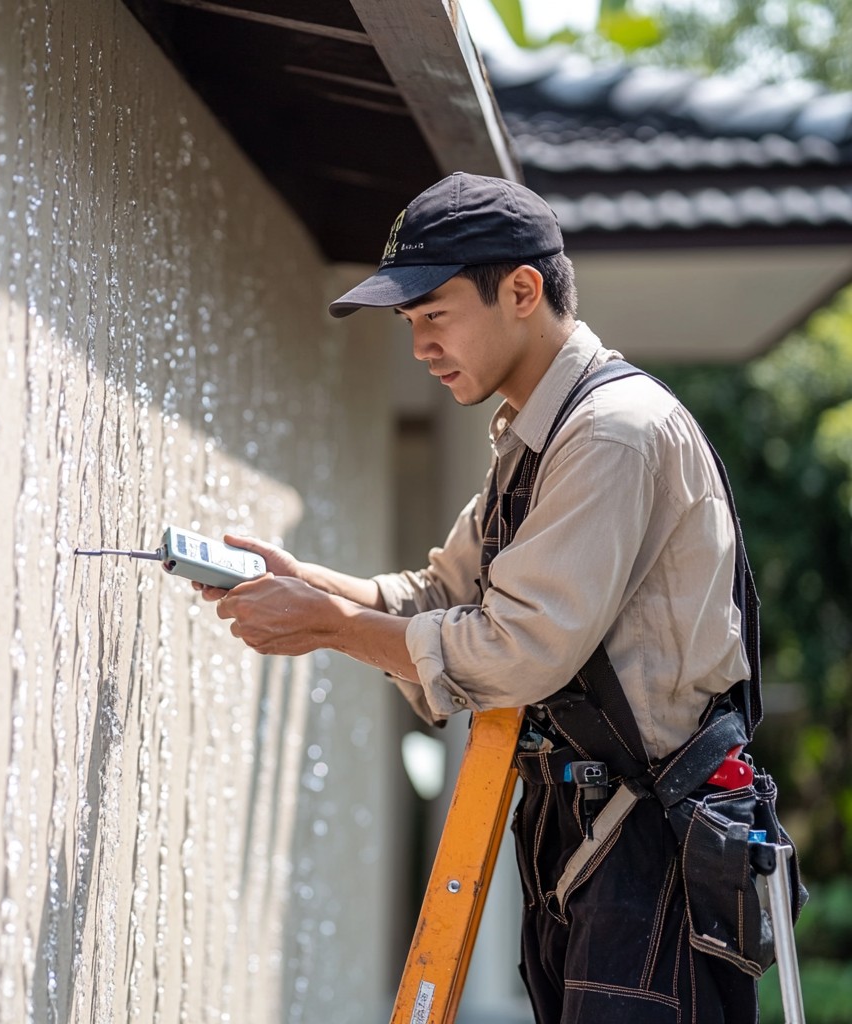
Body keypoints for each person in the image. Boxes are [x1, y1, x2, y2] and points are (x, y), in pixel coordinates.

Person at [191, 172, 761, 1022]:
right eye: (408, 323)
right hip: (590, 835)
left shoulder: (611, 433)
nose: (420, 345)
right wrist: (303, 582)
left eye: (435, 314)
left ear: (522, 292)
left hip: (656, 846)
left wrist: (329, 627)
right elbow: (439, 594)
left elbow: (516, 649)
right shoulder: (536, 438)